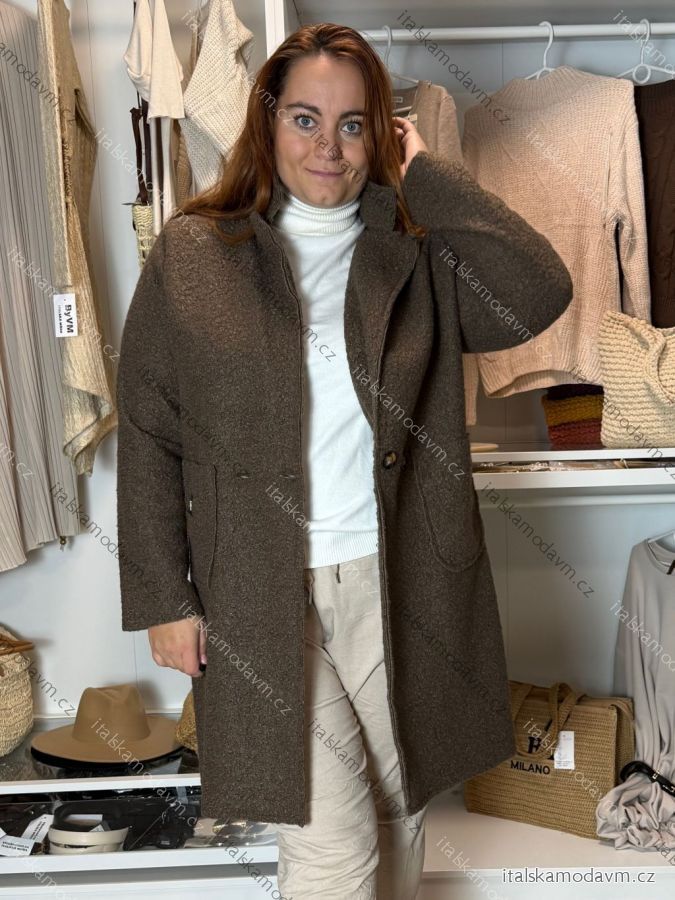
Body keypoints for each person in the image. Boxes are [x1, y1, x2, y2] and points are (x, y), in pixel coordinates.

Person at [116, 22, 573, 900]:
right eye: (305, 119)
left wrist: (425, 172)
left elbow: (537, 290)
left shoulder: (416, 250)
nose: (328, 146)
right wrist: (165, 599)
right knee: (332, 849)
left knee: (399, 818)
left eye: (353, 124)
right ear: (266, 122)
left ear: (380, 135)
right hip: (257, 591)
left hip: (396, 577)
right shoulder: (197, 252)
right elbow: (147, 427)